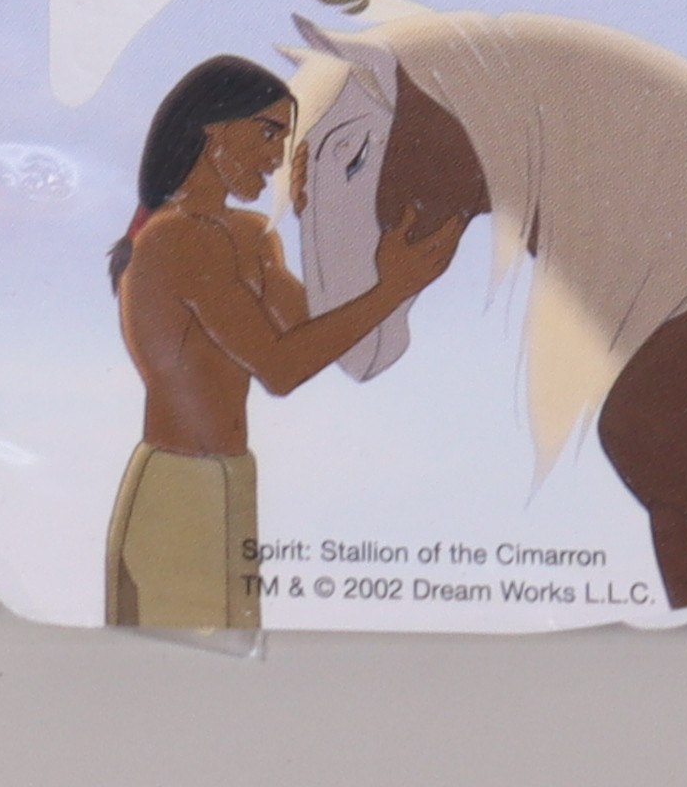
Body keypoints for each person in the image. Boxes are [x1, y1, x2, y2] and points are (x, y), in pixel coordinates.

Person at [102, 55, 463, 632]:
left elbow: (327, 340)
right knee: (188, 670)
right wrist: (393, 288)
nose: (277, 156)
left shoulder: (250, 234)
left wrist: (327, 217)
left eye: (285, 139)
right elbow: (280, 368)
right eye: (268, 132)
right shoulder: (176, 239)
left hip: (230, 476)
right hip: (179, 487)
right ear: (214, 128)